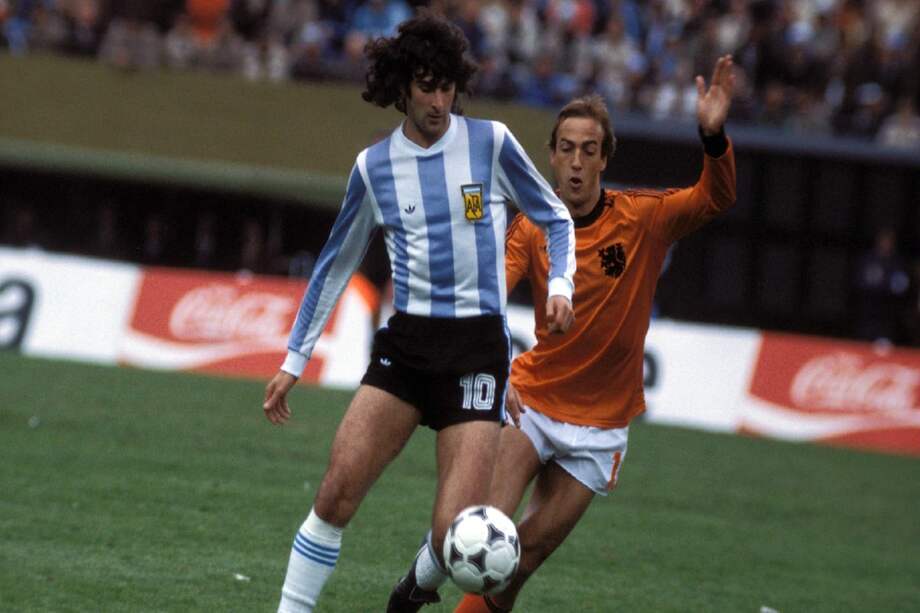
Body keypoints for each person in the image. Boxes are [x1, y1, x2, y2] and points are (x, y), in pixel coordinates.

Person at [261, 12, 576, 613]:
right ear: (402, 87)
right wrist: (294, 359)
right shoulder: (373, 167)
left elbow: (556, 216)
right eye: (426, 86)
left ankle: (414, 583)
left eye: (447, 86)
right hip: (405, 350)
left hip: (478, 352)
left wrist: (559, 282)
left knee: (451, 537)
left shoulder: (491, 143)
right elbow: (333, 264)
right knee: (335, 494)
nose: (438, 100)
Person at [453, 55, 737, 612]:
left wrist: (713, 137)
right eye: (566, 149)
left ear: (605, 158)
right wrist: (493, 365)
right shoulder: (532, 226)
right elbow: (486, 298)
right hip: (531, 403)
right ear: (552, 157)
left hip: (601, 427)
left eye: (589, 150)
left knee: (522, 560)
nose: (577, 162)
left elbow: (715, 197)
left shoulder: (643, 219)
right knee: (486, 534)